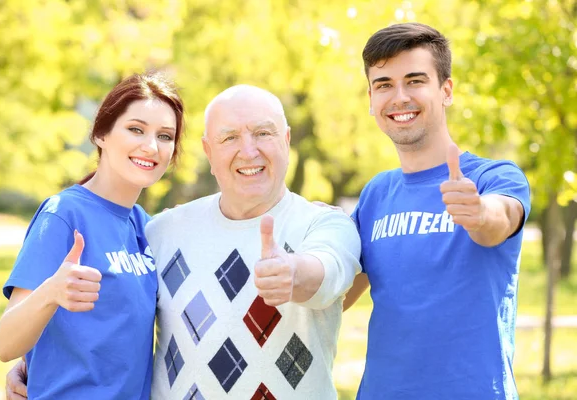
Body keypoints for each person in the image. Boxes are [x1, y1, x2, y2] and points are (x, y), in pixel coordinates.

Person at [343, 23, 531, 399]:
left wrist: (478, 212)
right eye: (384, 85)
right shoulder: (376, 194)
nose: (399, 97)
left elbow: (500, 220)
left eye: (415, 81)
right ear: (370, 98)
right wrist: (313, 238)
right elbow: (338, 294)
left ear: (446, 91)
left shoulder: (494, 177)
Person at [147, 84, 361, 399]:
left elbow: (328, 271)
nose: (248, 151)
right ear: (208, 152)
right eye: (229, 137)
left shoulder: (325, 225)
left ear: (286, 141)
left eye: (263, 133)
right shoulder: (162, 232)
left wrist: (293, 273)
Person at [0, 71, 185, 399]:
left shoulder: (146, 227)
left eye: (165, 136)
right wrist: (52, 292)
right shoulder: (63, 215)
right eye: (135, 129)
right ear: (101, 134)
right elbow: (5, 343)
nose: (151, 146)